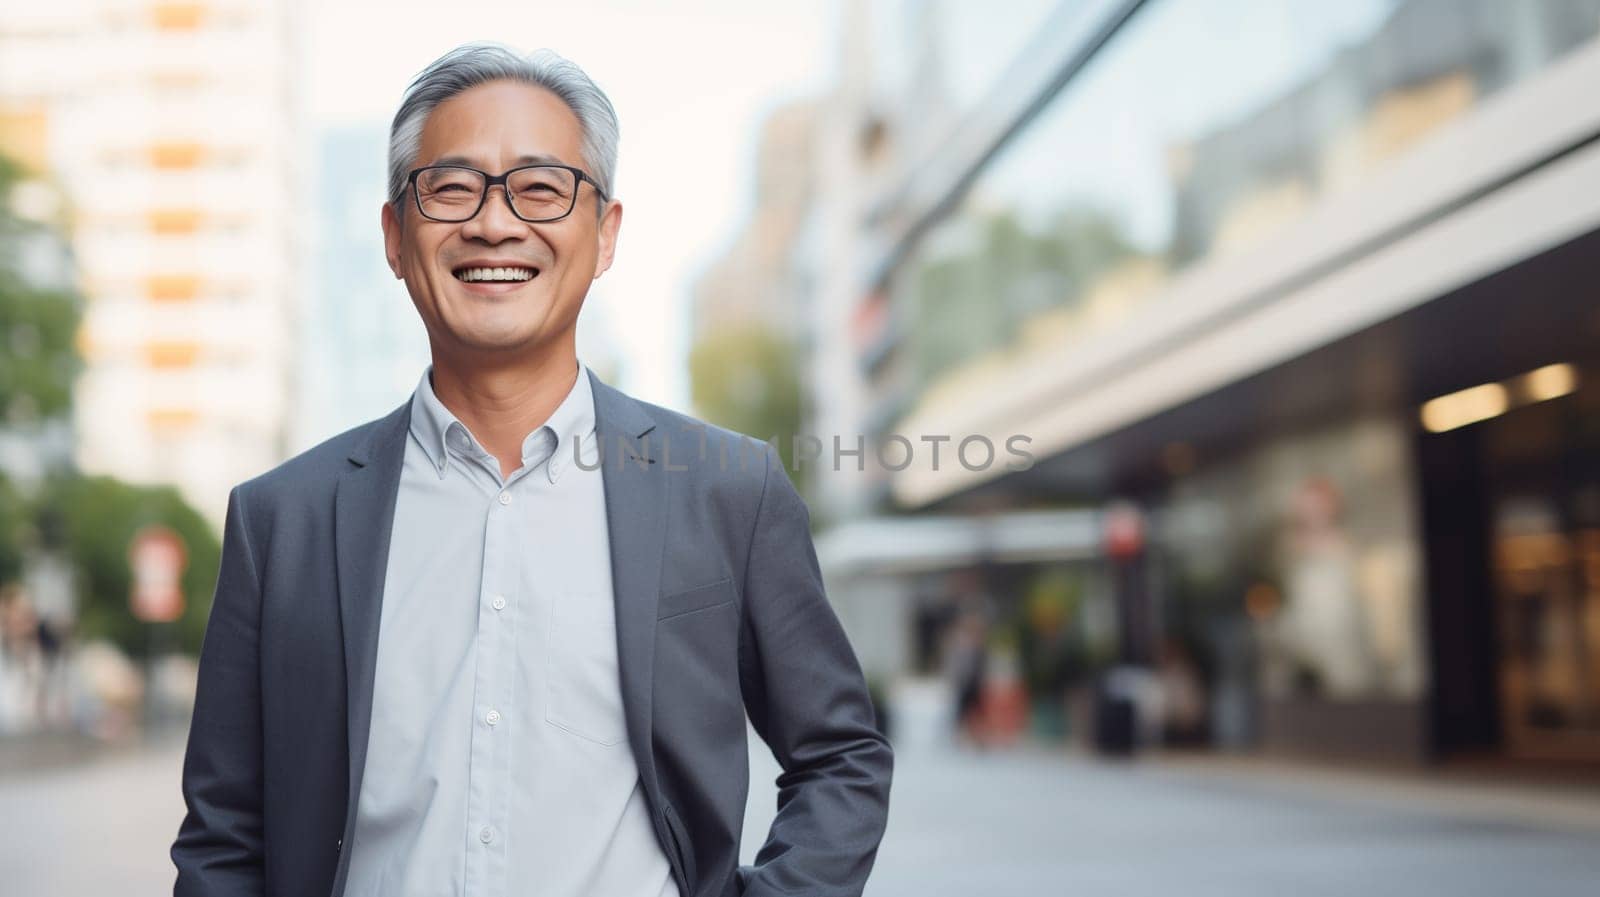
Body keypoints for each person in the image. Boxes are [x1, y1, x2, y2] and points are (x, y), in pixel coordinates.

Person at [171, 43, 892, 897]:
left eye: (541, 188)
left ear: (605, 233)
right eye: (451, 186)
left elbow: (839, 755)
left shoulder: (726, 489)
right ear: (396, 236)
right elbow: (223, 836)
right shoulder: (281, 519)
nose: (494, 223)